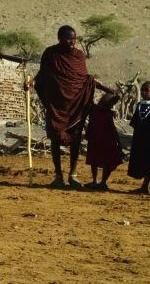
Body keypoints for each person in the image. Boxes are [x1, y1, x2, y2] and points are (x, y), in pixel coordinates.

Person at [32, 26, 115, 189]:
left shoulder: (79, 55)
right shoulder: (50, 53)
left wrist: (106, 89)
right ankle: (58, 176)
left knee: (76, 140)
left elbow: (85, 79)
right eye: (69, 38)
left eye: (74, 39)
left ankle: (73, 175)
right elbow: (42, 75)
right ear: (59, 38)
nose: (72, 42)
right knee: (55, 139)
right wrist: (32, 83)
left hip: (76, 106)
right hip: (56, 105)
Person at [127, 81, 150, 194]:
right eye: (142, 89)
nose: (143, 92)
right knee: (142, 161)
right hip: (139, 139)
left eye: (146, 90)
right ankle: (145, 186)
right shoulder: (139, 106)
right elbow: (135, 123)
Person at [84, 91, 123, 190]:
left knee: (94, 160)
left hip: (95, 138)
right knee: (108, 161)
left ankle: (94, 181)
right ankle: (103, 182)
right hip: (107, 140)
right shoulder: (107, 113)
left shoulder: (93, 109)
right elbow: (113, 129)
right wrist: (119, 142)